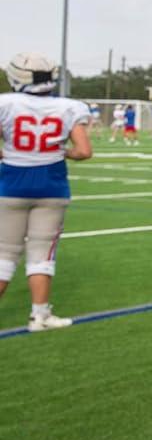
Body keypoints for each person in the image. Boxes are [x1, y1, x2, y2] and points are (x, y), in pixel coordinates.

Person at [0, 53, 93, 331]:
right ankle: (40, 316)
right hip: (52, 185)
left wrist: (10, 154)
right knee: (42, 254)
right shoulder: (69, 107)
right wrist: (61, 151)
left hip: (11, 184)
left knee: (4, 255)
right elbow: (84, 151)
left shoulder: (6, 103)